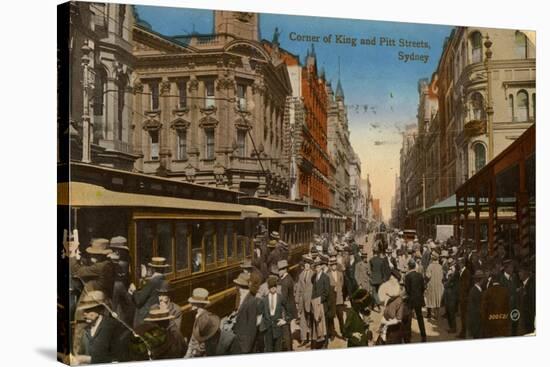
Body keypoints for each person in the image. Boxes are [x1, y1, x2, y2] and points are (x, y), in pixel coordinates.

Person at [73, 290, 125, 365]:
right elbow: (81, 354)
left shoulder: (113, 327)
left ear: (100, 309)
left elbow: (118, 358)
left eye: (89, 309)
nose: (85, 313)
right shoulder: (85, 329)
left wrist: (88, 359)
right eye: (84, 310)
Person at [129, 257, 169, 327]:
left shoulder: (152, 282)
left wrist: (134, 290)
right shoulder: (164, 280)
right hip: (156, 314)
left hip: (145, 318)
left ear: (152, 269)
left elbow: (139, 301)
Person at [259, 276, 291, 352]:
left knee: (278, 349)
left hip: (278, 328)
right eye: (271, 287)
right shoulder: (264, 300)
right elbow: (260, 313)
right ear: (268, 288)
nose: (273, 288)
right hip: (268, 329)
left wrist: (285, 320)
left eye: (274, 286)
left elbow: (289, 310)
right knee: (269, 349)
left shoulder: (281, 298)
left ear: (276, 287)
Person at [231, 272, 258, 354]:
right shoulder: (244, 298)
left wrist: (246, 349)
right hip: (240, 340)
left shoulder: (251, 301)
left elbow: (252, 327)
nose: (236, 288)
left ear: (240, 287)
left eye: (237, 285)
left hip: (245, 345)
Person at [185, 288, 215, 358]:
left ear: (198, 304)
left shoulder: (205, 319)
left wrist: (194, 353)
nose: (191, 304)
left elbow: (203, 345)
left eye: (193, 303)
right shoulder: (198, 315)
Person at [480, 270, 510, 338]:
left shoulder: (487, 292)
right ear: (500, 279)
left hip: (491, 326)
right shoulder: (505, 291)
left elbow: (483, 311)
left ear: (492, 280)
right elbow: (508, 308)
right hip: (503, 325)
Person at [404, 258, 427, 342]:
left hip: (411, 299)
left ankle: (408, 335)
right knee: (420, 317)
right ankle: (423, 335)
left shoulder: (407, 276)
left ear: (409, 266)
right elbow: (423, 288)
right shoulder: (420, 275)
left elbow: (407, 290)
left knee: (409, 318)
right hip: (419, 298)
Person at [310, 257, 330, 349]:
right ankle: (319, 340)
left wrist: (319, 300)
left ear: (321, 267)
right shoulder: (314, 278)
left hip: (322, 304)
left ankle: (325, 343)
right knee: (318, 324)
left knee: (324, 324)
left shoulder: (325, 277)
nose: (317, 269)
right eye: (316, 267)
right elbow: (314, 291)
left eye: (318, 267)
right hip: (316, 304)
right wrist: (313, 302)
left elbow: (327, 292)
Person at [277, 259, 296, 351]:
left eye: (280, 269)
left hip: (286, 309)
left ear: (284, 270)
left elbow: (283, 298)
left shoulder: (285, 282)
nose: (278, 271)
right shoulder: (288, 278)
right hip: (290, 307)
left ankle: (288, 349)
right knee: (287, 330)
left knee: (285, 331)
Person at [296, 255, 314, 346]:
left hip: (310, 301)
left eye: (308, 264)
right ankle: (303, 339)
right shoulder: (301, 275)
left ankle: (311, 339)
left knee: (310, 320)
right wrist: (297, 300)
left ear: (310, 265)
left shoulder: (313, 274)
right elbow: (298, 288)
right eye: (305, 264)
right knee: (302, 320)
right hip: (302, 301)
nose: (307, 265)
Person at [499, 259, 519, 335]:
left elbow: (515, 289)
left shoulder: (514, 277)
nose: (512, 269)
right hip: (507, 308)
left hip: (515, 307)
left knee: (515, 327)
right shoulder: (501, 280)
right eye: (511, 267)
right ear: (506, 268)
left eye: (513, 267)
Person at [327, 256, 345, 340]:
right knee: (331, 318)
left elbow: (342, 284)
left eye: (335, 264)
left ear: (336, 265)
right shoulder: (327, 275)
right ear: (330, 266)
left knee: (341, 318)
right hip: (332, 301)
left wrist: (339, 291)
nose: (333, 266)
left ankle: (343, 333)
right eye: (332, 265)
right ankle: (332, 334)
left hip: (339, 300)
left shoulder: (340, 273)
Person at [425, 252, 444, 319]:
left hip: (432, 285)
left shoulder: (430, 266)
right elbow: (442, 276)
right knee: (437, 299)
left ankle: (429, 314)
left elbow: (428, 276)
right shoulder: (440, 266)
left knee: (429, 298)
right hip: (439, 285)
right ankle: (436, 315)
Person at [467, 270, 486, 339]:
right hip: (477, 322)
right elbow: (475, 309)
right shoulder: (475, 291)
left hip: (477, 322)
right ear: (481, 280)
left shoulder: (476, 290)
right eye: (483, 279)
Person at [517, 264, 535, 335]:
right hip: (525, 320)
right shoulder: (523, 285)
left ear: (526, 273)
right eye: (518, 272)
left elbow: (533, 303)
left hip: (529, 321)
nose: (519, 274)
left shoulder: (532, 285)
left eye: (521, 272)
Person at [443, 258, 459, 333]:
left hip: (452, 293)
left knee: (451, 312)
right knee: (449, 312)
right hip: (449, 293)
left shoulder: (455, 272)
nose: (450, 265)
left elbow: (449, 282)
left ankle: (453, 328)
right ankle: (452, 327)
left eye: (451, 264)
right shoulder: (451, 271)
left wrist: (446, 283)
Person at [456, 257, 471, 338]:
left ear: (462, 263)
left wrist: (461, 291)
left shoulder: (466, 272)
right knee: (463, 316)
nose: (458, 264)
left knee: (464, 316)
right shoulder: (461, 272)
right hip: (462, 297)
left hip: (464, 297)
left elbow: (466, 285)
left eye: (459, 263)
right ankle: (463, 332)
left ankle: (464, 333)